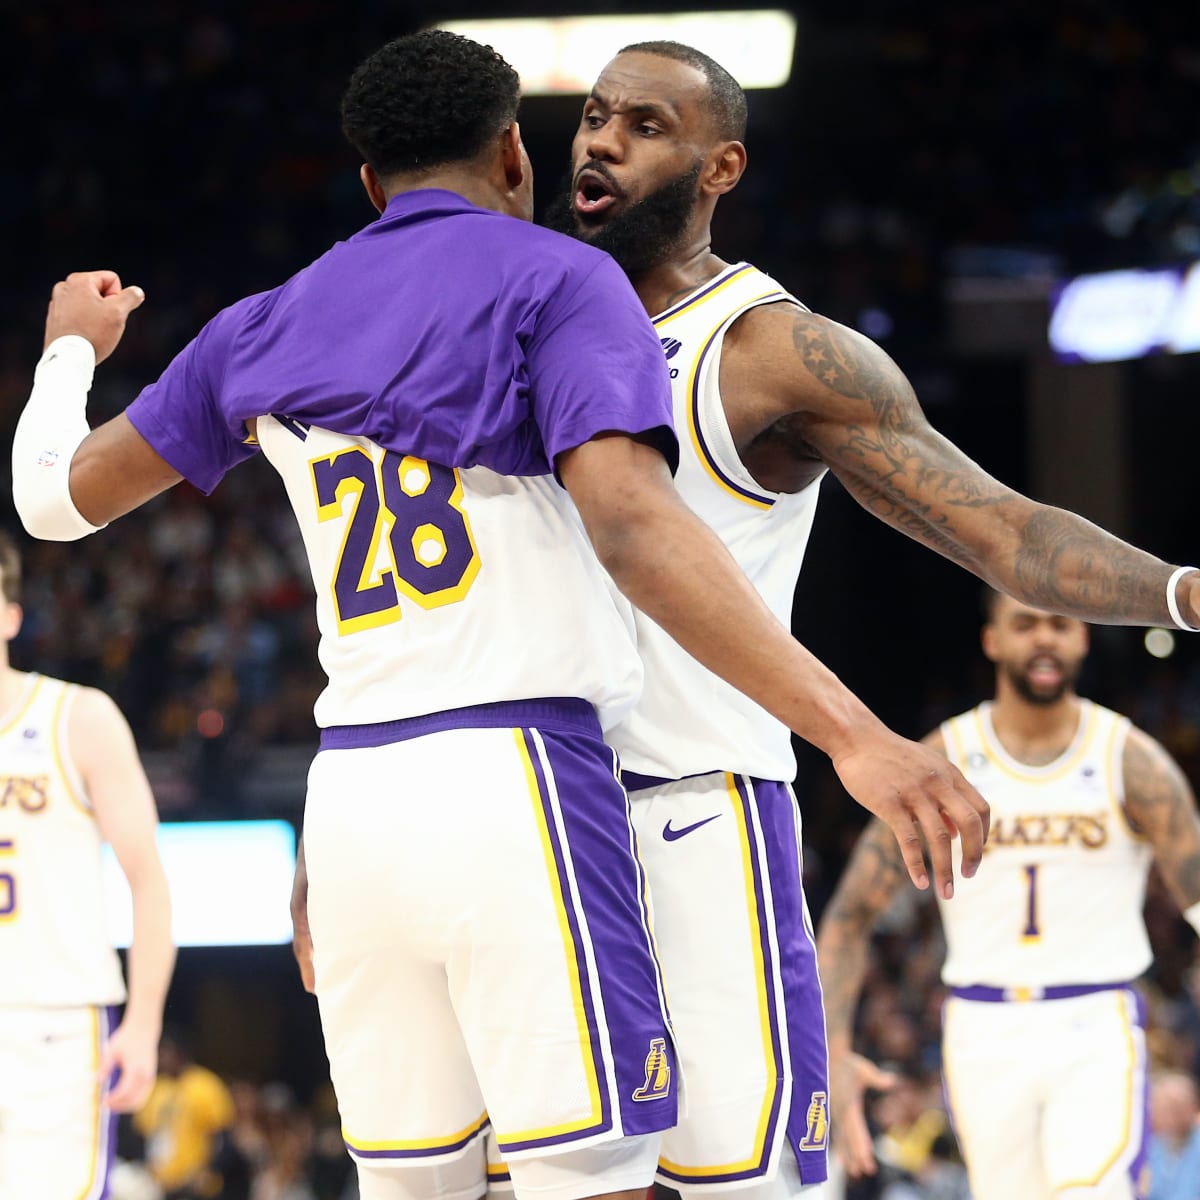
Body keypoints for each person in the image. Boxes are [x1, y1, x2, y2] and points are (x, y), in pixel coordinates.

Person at [11, 31, 990, 1200]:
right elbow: (631, 526)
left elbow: (48, 503)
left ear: (369, 180)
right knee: (600, 1177)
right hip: (519, 776)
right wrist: (851, 733)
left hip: (352, 798)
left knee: (421, 1184)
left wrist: (71, 347)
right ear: (513, 157)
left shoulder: (257, 324)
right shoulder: (560, 281)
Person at [541, 37, 1200, 1200]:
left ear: (721, 166)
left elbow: (1005, 533)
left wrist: (1180, 592)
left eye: (646, 125)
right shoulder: (520, 320)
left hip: (694, 815)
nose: (600, 141)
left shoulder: (769, 352)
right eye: (595, 116)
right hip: (525, 809)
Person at [816, 590, 1200, 1199]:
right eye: (1025, 624)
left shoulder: (1129, 759)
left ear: (1084, 638)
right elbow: (850, 915)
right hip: (980, 1026)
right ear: (993, 640)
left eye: (1060, 624)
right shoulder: (943, 759)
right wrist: (833, 1049)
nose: (1043, 638)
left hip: (1095, 1020)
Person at [0, 529, 175, 1198]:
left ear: (13, 615)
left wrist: (145, 1021)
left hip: (57, 1018)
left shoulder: (78, 717)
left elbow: (149, 883)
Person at [133, 1028, 241, 1199]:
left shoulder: (204, 1085)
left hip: (195, 1188)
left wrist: (209, 1170)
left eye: (167, 1053)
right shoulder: (157, 1088)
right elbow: (144, 1134)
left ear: (181, 1053)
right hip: (161, 1185)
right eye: (160, 1054)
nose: (163, 1059)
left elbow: (225, 1137)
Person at [1146, 1071, 1200, 1200]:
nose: (1171, 1114)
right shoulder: (1152, 1147)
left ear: (1194, 1106)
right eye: (1164, 1106)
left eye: (1176, 1105)